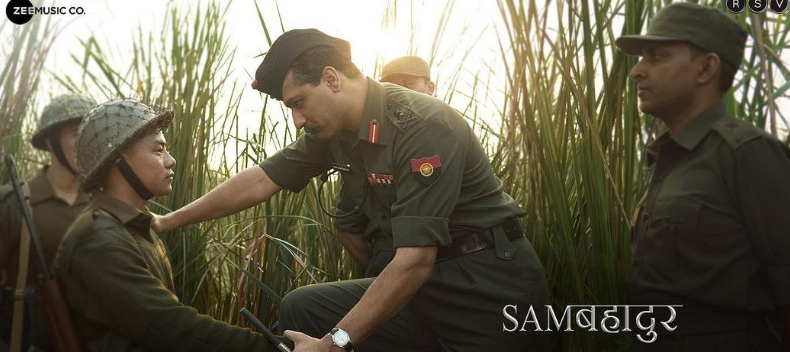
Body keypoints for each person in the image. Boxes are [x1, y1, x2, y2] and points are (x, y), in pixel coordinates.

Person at [155, 28, 550, 351]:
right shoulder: (334, 131)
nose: (296, 120)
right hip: (422, 288)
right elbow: (262, 179)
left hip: (485, 291)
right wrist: (167, 221)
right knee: (302, 308)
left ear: (331, 78)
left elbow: (414, 261)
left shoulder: (421, 125)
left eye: (299, 102)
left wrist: (332, 344)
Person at [616, 2, 790, 351]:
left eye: (657, 56)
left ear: (705, 68)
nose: (637, 71)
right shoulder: (670, 158)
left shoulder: (748, 154)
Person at [53, 99, 278, 352]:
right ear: (119, 159)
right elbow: (174, 329)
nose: (171, 161)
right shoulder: (98, 240)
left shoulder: (140, 227)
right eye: (158, 151)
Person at [0, 94, 96, 352]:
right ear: (51, 142)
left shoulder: (105, 203)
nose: (87, 143)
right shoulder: (13, 204)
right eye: (78, 133)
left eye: (91, 133)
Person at [336, 55, 436, 277]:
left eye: (408, 84)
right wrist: (381, 270)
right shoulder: (366, 144)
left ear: (430, 87)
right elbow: (346, 226)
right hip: (388, 258)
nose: (400, 92)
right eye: (391, 85)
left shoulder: (445, 132)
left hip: (446, 263)